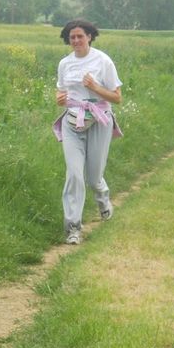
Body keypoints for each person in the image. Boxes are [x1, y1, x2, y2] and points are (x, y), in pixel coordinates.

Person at [52, 19, 123, 245]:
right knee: (74, 174)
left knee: (93, 177)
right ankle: (73, 227)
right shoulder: (65, 64)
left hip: (100, 119)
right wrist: (60, 99)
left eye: (80, 36)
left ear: (90, 36)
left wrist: (95, 88)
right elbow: (61, 94)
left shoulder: (103, 61)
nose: (76, 41)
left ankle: (102, 198)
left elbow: (117, 97)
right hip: (73, 120)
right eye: (72, 37)